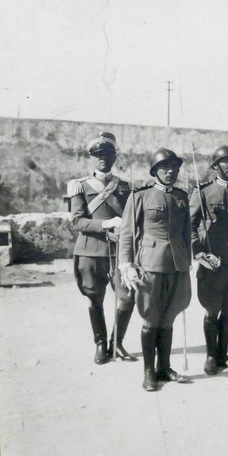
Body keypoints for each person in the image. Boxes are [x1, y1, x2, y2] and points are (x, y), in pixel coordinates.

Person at [119, 148, 192, 391]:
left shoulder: (182, 197)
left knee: (169, 317)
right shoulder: (140, 196)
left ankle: (164, 366)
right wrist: (127, 266)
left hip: (177, 265)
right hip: (149, 264)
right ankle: (149, 371)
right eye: (164, 168)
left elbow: (186, 233)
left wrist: (188, 261)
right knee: (151, 318)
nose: (170, 172)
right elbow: (127, 234)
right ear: (154, 171)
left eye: (174, 168)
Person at [66, 132, 137, 365]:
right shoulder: (79, 186)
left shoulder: (125, 187)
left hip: (120, 253)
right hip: (90, 252)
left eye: (107, 154)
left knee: (127, 298)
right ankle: (100, 344)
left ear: (115, 156)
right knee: (95, 299)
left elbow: (133, 219)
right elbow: (77, 221)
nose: (103, 159)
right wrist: (106, 223)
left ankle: (117, 342)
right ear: (90, 158)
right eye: (98, 155)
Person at [189, 145, 228, 375]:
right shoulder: (203, 192)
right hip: (213, 260)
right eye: (225, 162)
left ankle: (223, 354)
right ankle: (211, 355)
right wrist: (200, 253)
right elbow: (189, 226)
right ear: (216, 166)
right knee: (212, 310)